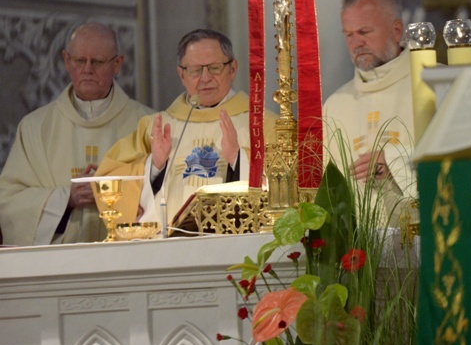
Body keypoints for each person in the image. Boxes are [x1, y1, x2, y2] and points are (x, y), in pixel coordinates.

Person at [95, 28, 278, 225]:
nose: (205, 78)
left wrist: (238, 159)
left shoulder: (263, 125)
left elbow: (287, 190)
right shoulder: (155, 127)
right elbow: (108, 178)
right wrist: (154, 166)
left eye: (214, 68)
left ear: (232, 69)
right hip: (171, 247)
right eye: (195, 70)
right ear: (181, 74)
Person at [0, 22, 154, 246]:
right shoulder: (34, 128)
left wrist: (118, 195)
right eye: (80, 61)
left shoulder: (147, 124)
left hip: (125, 258)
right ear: (66, 60)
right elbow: (9, 201)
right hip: (57, 265)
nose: (87, 69)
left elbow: (164, 197)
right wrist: (65, 199)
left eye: (98, 61)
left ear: (118, 64)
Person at [323, 0, 416, 226]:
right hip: (359, 252)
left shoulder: (434, 85)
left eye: (364, 32)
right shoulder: (335, 105)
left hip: (421, 239)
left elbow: (459, 161)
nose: (356, 43)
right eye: (349, 34)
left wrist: (394, 163)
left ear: (397, 31)